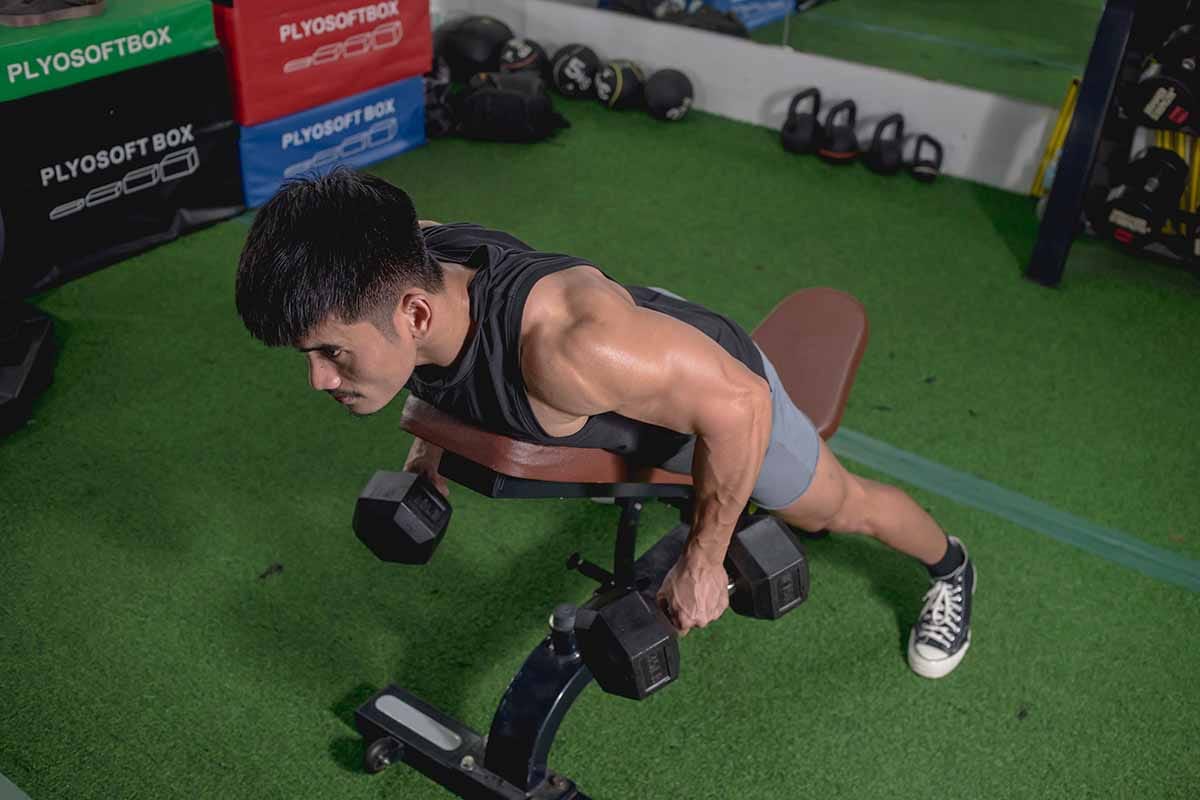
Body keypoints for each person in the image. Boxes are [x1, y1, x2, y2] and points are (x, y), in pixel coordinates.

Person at [235, 169, 975, 679]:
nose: (320, 379)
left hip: (714, 385)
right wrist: (428, 458)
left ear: (414, 314)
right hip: (638, 349)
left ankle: (951, 567)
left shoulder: (566, 349)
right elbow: (443, 369)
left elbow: (740, 405)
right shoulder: (406, 261)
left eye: (332, 354)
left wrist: (704, 559)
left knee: (833, 508)